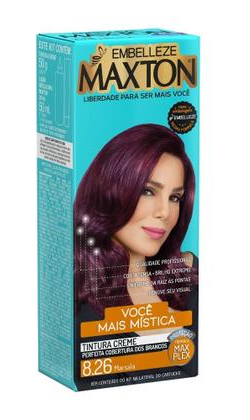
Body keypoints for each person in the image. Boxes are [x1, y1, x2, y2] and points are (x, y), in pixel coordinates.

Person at [74, 123, 198, 336]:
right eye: (148, 191)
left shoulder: (191, 276)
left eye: (175, 197)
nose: (165, 212)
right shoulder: (75, 298)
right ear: (107, 191)